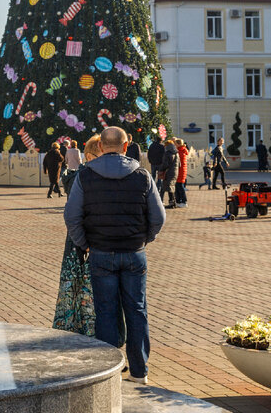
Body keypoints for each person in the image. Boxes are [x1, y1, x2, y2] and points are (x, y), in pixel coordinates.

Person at [64, 126, 165, 385]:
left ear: (100, 147)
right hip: (134, 253)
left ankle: (109, 373)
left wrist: (85, 243)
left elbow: (72, 216)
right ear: (125, 146)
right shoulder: (142, 175)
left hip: (100, 252)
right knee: (137, 310)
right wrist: (145, 238)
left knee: (106, 311)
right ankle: (139, 371)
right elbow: (159, 217)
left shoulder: (85, 176)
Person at [53, 135, 104, 337]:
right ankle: (78, 333)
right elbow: (73, 215)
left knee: (82, 291)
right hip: (82, 245)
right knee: (80, 291)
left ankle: (79, 332)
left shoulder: (81, 176)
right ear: (90, 157)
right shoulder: (83, 178)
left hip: (82, 243)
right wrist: (84, 243)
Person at [158, 138, 179, 209]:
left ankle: (160, 202)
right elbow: (179, 164)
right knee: (171, 187)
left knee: (164, 188)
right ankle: (172, 203)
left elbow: (165, 164)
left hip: (169, 172)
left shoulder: (168, 153)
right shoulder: (176, 152)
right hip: (175, 172)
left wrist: (161, 169)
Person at [174, 140, 190, 208]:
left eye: (175, 144)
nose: (174, 145)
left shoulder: (180, 152)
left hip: (180, 171)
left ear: (178, 144)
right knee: (178, 187)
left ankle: (184, 201)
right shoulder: (181, 150)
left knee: (180, 187)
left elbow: (178, 162)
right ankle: (179, 201)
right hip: (180, 171)